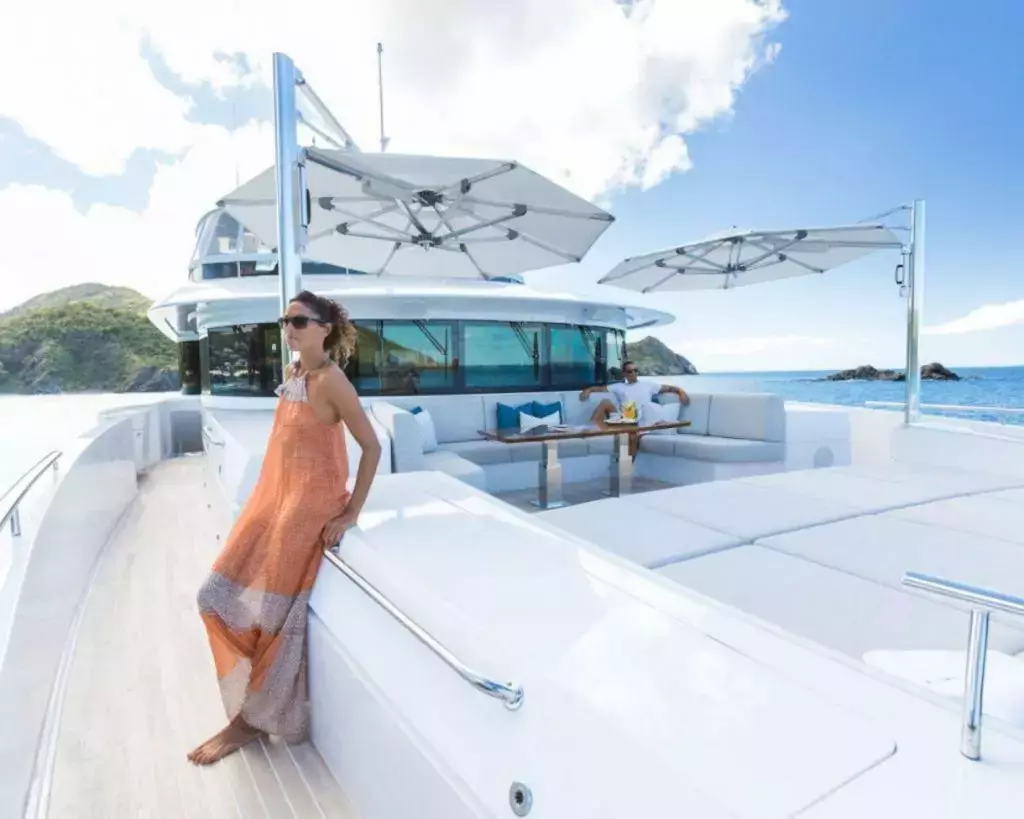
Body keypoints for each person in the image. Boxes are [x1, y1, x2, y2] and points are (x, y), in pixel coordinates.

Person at [188, 290, 382, 765]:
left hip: (309, 508)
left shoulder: (333, 382)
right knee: (213, 595)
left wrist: (350, 514)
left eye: (298, 321)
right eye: (284, 321)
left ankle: (250, 720)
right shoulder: (295, 374)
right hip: (277, 501)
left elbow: (371, 447)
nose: (288, 329)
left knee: (272, 616)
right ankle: (250, 708)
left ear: (324, 329)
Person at [579, 361, 690, 457]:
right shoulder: (619, 386)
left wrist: (681, 392)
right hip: (622, 417)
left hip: (640, 419)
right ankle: (592, 429)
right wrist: (588, 390)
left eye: (636, 370)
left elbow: (670, 388)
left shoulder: (647, 384)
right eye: (630, 371)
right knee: (605, 403)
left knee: (632, 436)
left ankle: (628, 463)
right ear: (624, 374)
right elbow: (600, 388)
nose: (634, 373)